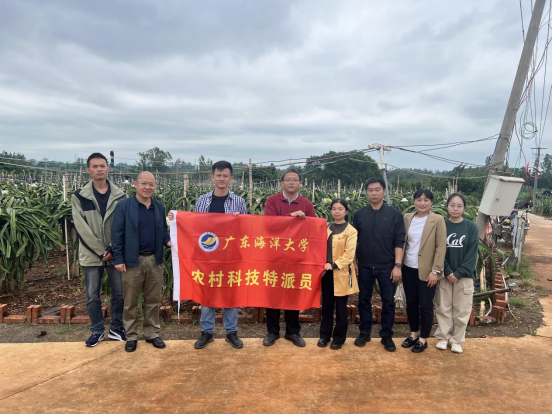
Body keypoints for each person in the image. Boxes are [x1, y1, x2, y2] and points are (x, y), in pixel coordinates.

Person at [187, 160, 247, 350]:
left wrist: (240, 220)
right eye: (218, 175)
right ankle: (207, 331)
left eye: (225, 176)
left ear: (231, 178)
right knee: (207, 292)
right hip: (208, 254)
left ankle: (231, 331)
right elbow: (194, 226)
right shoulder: (202, 200)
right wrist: (176, 219)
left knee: (231, 292)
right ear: (212, 177)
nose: (222, 179)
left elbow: (246, 229)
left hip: (231, 254)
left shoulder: (239, 201)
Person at [112, 171, 172, 353]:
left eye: (151, 184)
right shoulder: (124, 206)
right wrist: (118, 258)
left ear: (155, 187)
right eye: (144, 183)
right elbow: (117, 234)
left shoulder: (159, 207)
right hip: (132, 261)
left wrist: (168, 241)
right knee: (130, 301)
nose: (148, 187)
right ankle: (131, 335)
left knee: (153, 299)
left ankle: (152, 333)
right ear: (135, 184)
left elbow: (163, 231)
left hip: (154, 260)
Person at [71, 153, 127, 347]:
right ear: (88, 170)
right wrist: (100, 250)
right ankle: (96, 330)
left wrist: (113, 247)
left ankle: (116, 328)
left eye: (102, 166)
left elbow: (125, 223)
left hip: (115, 252)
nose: (99, 169)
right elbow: (81, 227)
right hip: (91, 254)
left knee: (119, 293)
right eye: (95, 166)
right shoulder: (79, 196)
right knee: (92, 295)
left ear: (108, 169)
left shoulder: (120, 195)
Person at [263, 168, 316, 347]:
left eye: (294, 179)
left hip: (297, 257)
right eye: (288, 179)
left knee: (293, 293)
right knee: (273, 293)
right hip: (275, 255)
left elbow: (312, 229)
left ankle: (292, 332)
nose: (291, 182)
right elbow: (269, 225)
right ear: (282, 183)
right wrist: (290, 217)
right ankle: (272, 331)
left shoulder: (306, 204)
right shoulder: (272, 201)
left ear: (300, 183)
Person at [353, 177, 405, 352]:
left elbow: (399, 242)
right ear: (366, 193)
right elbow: (354, 241)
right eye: (370, 190)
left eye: (377, 189)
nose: (373, 193)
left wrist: (397, 265)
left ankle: (386, 335)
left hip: (387, 266)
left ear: (384, 191)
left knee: (388, 302)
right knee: (363, 300)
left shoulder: (395, 215)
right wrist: (354, 263)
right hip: (365, 265)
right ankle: (365, 332)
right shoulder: (359, 215)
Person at [401, 189, 447, 353]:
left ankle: (423, 338)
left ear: (431, 202)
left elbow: (441, 247)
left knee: (426, 305)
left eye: (426, 200)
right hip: (408, 268)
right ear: (414, 201)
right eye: (419, 199)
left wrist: (435, 271)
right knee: (411, 303)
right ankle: (414, 334)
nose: (422, 203)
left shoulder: (437, 220)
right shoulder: (407, 218)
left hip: (427, 271)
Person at [434, 193, 478, 354]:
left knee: (462, 309)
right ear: (447, 206)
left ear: (464, 208)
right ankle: (443, 337)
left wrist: (459, 273)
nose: (455, 209)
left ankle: (457, 340)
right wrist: (447, 270)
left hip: (464, 276)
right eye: (452, 205)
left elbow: (472, 253)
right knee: (443, 307)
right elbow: (438, 250)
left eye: (459, 206)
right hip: (445, 275)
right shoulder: (442, 225)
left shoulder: (471, 227)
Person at [318, 199, 359, 350]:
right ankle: (324, 335)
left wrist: (334, 265)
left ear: (346, 211)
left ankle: (339, 338)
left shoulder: (351, 231)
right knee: (326, 306)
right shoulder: (326, 228)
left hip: (341, 273)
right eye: (334, 208)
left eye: (340, 209)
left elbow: (349, 254)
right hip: (326, 273)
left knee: (341, 308)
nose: (337, 211)